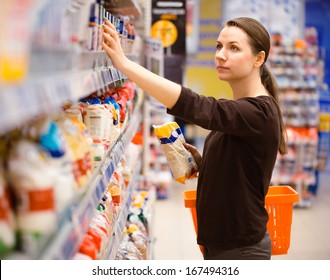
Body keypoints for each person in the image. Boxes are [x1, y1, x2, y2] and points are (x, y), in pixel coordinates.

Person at [102, 16, 287, 260]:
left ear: (258, 58)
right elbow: (243, 165)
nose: (221, 55)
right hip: (224, 244)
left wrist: (124, 65)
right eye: (219, 46)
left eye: (234, 48)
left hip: (241, 249)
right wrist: (205, 162)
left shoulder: (259, 112)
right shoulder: (244, 109)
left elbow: (196, 106)